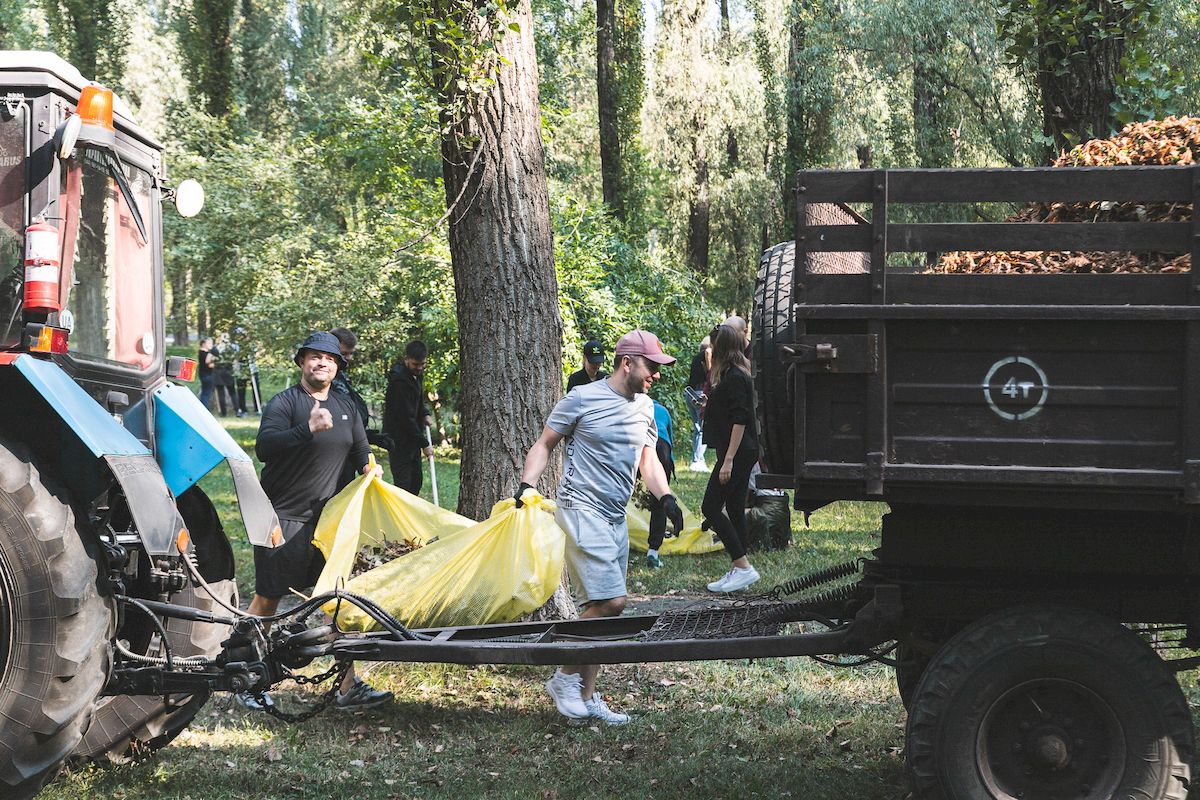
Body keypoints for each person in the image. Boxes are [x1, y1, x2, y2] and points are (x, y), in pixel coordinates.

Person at [516, 329, 684, 725]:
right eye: (651, 367)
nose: (656, 375)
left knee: (599, 611)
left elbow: (648, 461)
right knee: (613, 602)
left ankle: (588, 696)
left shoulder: (645, 407)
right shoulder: (582, 398)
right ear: (627, 362)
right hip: (579, 507)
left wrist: (666, 498)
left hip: (614, 515)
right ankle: (564, 676)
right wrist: (527, 485)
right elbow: (544, 444)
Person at [243, 331, 393, 710]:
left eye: (328, 359)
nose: (321, 363)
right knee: (267, 598)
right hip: (282, 517)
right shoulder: (285, 403)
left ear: (337, 365)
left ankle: (347, 687)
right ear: (301, 363)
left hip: (328, 522)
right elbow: (264, 448)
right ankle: (244, 678)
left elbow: (361, 450)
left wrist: (368, 470)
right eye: (313, 357)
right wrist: (305, 429)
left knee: (335, 600)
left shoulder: (347, 407)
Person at [701, 323, 761, 593]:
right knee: (735, 508)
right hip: (737, 450)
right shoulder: (732, 374)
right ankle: (740, 571)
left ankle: (744, 566)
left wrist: (728, 461)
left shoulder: (736, 376)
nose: (711, 350)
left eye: (714, 345)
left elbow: (740, 419)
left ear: (722, 347)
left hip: (738, 451)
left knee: (711, 508)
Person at [328, 328, 395, 487]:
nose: (349, 358)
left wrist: (371, 437)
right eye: (344, 354)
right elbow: (336, 426)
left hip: (349, 455)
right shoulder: (325, 383)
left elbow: (350, 418)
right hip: (333, 462)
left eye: (351, 353)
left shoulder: (341, 377)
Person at [383, 340, 434, 495]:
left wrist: (424, 412)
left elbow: (417, 401)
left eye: (422, 364)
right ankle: (399, 517)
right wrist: (424, 444)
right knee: (403, 484)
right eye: (415, 364)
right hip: (399, 440)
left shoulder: (416, 376)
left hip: (412, 438)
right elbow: (404, 417)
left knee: (416, 481)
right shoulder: (398, 381)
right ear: (406, 359)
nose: (419, 368)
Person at [644, 397, 676, 569]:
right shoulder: (664, 411)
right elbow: (669, 440)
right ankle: (653, 552)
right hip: (662, 447)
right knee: (660, 503)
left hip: (640, 444)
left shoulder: (634, 407)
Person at [685, 336, 710, 471]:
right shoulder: (706, 355)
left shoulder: (696, 358)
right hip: (700, 394)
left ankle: (697, 458)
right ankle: (698, 460)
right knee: (702, 428)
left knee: (697, 428)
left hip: (690, 393)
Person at [197, 337, 216, 410]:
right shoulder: (203, 353)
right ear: (203, 344)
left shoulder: (205, 353)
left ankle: (204, 408)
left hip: (206, 374)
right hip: (206, 375)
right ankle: (204, 408)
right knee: (205, 393)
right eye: (209, 343)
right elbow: (209, 363)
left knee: (206, 393)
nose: (211, 345)